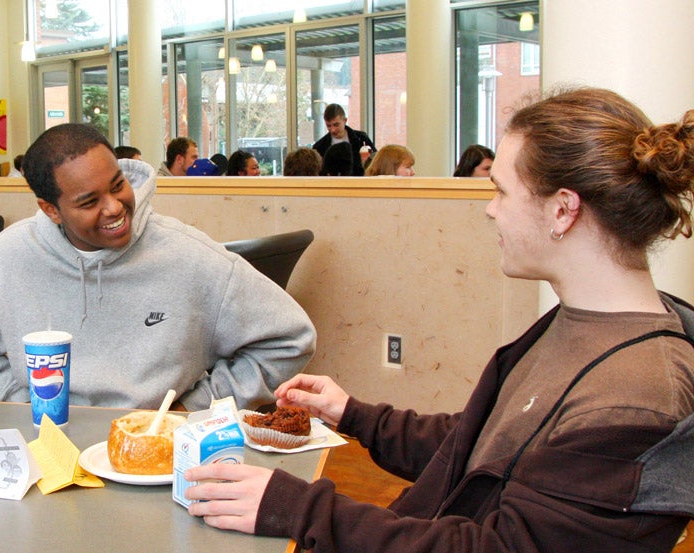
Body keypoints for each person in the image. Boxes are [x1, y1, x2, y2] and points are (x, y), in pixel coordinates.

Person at [182, 87, 694, 553]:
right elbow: (479, 445)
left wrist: (298, 509)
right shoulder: (582, 322)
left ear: (563, 210)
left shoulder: (636, 397)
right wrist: (352, 413)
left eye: (501, 191)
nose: (490, 210)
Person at [0, 123, 316, 412]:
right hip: (48, 447)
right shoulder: (4, 258)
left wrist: (197, 405)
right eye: (89, 201)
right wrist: (25, 398)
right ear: (51, 209)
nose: (113, 207)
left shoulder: (191, 256)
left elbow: (290, 338)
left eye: (116, 185)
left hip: (160, 448)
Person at [312, 103, 376, 176]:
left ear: (345, 120)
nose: (332, 130)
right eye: (328, 126)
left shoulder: (361, 139)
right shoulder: (319, 147)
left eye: (336, 125)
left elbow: (375, 162)